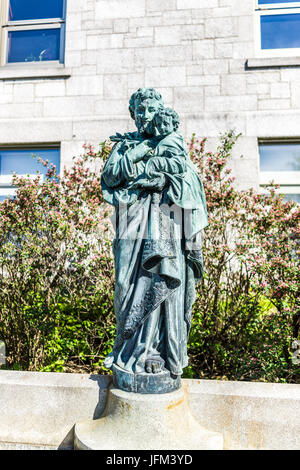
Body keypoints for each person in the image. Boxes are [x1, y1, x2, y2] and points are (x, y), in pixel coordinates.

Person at [101, 88, 208, 387]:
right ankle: (126, 348)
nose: (145, 115)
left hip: (166, 221)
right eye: (140, 111)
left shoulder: (172, 142)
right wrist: (140, 152)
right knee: (125, 284)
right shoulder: (125, 146)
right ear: (134, 114)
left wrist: (165, 178)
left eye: (150, 109)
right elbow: (110, 177)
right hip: (130, 223)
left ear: (160, 111)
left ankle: (153, 351)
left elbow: (189, 179)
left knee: (159, 277)